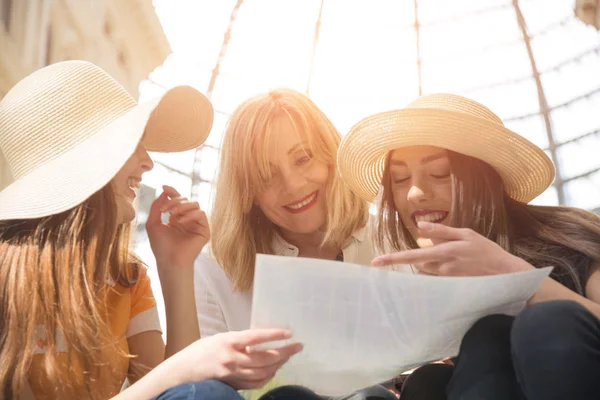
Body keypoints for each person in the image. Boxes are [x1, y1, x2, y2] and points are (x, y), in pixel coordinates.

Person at [0, 61, 302, 400]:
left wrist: (176, 265)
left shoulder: (125, 278)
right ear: (85, 161)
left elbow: (182, 392)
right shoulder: (7, 277)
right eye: (130, 144)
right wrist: (184, 367)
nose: (148, 161)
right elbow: (178, 381)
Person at [336, 93, 600, 400]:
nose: (414, 194)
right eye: (400, 178)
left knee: (539, 322)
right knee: (431, 377)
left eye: (440, 173)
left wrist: (517, 278)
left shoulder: (566, 232)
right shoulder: (434, 285)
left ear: (488, 178)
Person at [195, 89, 402, 399]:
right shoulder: (215, 266)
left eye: (303, 158)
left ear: (332, 154)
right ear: (247, 193)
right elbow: (197, 384)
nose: (292, 185)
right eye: (266, 175)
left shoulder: (392, 239)